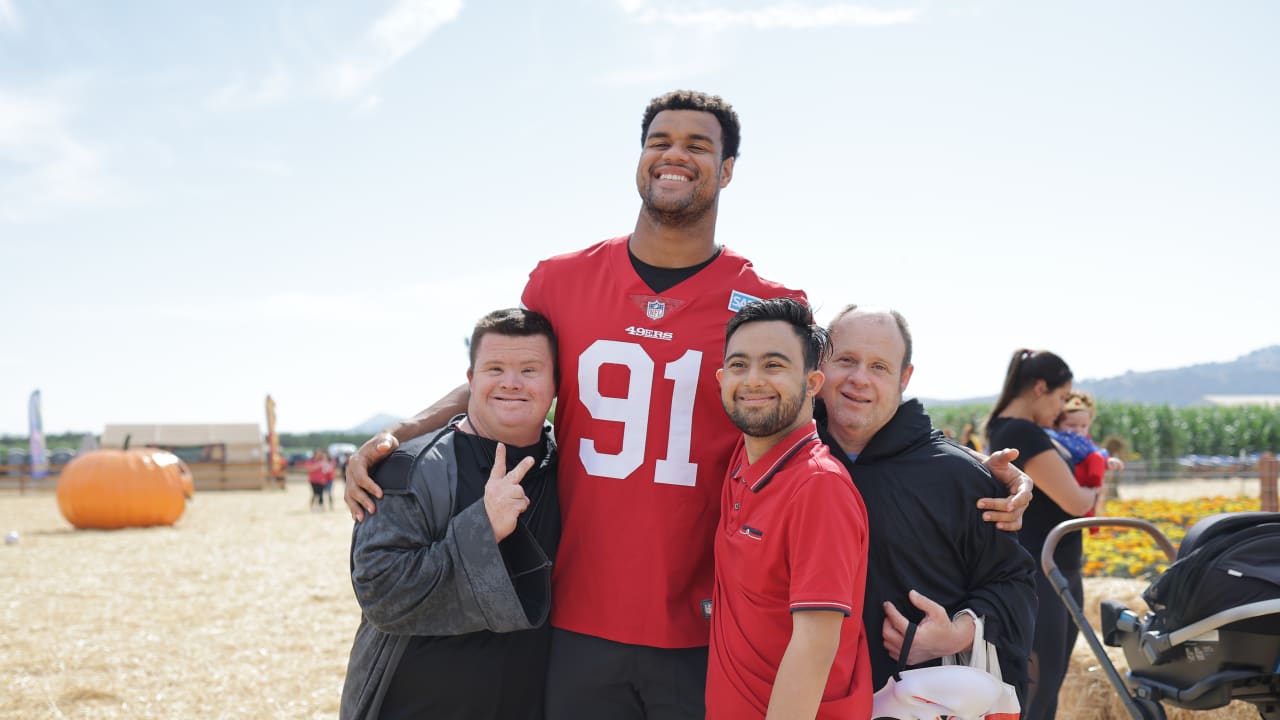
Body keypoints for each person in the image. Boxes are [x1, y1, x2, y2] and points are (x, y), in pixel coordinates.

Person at [344, 90, 1033, 719]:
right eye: (660, 141)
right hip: (574, 614)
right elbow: (512, 378)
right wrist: (399, 433)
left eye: (698, 145)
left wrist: (972, 466)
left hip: (704, 626)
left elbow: (836, 411)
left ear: (728, 170)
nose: (676, 155)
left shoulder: (770, 304)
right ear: (639, 160)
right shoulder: (561, 281)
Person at [340, 308, 560, 720]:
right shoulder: (410, 467)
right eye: (495, 368)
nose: (511, 382)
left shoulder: (567, 470)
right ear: (471, 380)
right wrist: (483, 528)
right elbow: (382, 596)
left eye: (530, 369)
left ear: (556, 384)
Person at [813, 305, 1037, 701]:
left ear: (904, 378)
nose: (859, 378)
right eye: (845, 360)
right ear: (818, 365)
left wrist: (957, 634)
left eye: (879, 366)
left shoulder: (958, 476)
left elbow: (1014, 584)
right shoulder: (782, 459)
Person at [708, 298, 871, 719]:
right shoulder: (745, 462)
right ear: (722, 378)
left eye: (775, 365)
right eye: (740, 366)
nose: (753, 381)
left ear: (813, 382)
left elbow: (815, 646)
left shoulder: (819, 487)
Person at [986, 349, 1102, 720]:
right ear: (1039, 388)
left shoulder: (1011, 428)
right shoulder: (1022, 433)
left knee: (1041, 689)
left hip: (1050, 569)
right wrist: (1098, 488)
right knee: (1039, 692)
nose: (1061, 408)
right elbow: (1073, 500)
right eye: (1058, 397)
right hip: (1044, 574)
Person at [1047, 391, 1124, 522]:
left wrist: (1108, 460)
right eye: (1071, 425)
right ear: (1056, 424)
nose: (1078, 430)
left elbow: (1096, 452)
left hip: (1084, 484)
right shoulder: (1056, 438)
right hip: (1067, 482)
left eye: (1084, 426)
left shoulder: (1085, 442)